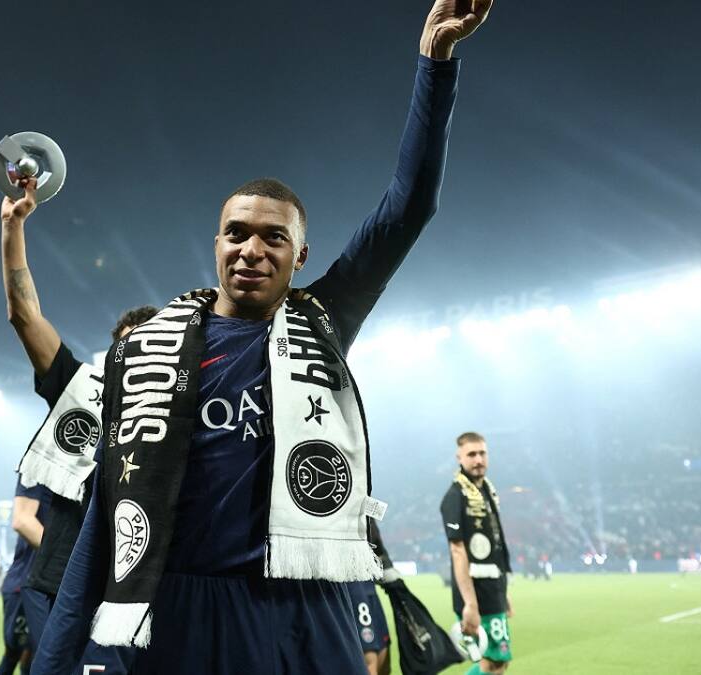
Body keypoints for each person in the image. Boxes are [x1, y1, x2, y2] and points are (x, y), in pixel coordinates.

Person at [33, 2, 493, 672]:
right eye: (237, 233)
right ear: (215, 245)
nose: (252, 248)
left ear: (300, 256)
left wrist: (436, 63)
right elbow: (107, 511)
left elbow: (409, 206)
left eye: (273, 236)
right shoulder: (149, 353)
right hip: (177, 602)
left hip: (299, 601)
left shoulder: (323, 320)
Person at [0, 179, 156, 673]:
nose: (135, 358)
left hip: (137, 593)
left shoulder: (184, 418)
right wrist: (12, 226)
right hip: (60, 586)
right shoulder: (81, 389)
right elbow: (24, 315)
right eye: (127, 348)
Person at [439, 432, 512, 674]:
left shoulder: (487, 493)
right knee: (494, 661)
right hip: (475, 593)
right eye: (471, 454)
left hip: (493, 589)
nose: (478, 459)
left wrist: (503, 592)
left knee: (497, 661)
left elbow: (495, 546)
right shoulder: (455, 497)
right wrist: (470, 604)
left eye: (482, 453)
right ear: (459, 457)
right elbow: (458, 551)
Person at [350, 519, 393, 674]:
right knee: (369, 661)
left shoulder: (365, 502)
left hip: (368, 586)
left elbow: (375, 540)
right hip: (353, 584)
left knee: (383, 657)